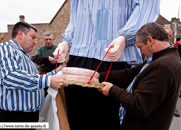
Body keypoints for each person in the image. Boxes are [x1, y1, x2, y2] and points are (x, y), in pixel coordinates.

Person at [53, 0, 160, 130]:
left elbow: (147, 6)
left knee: (108, 119)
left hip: (115, 55)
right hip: (80, 56)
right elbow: (76, 12)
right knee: (76, 118)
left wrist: (126, 37)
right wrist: (67, 42)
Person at [97, 22, 181, 130]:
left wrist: (112, 90)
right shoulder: (158, 59)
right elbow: (129, 74)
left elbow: (139, 105)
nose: (141, 53)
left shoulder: (164, 65)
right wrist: (98, 75)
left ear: (150, 40)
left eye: (140, 47)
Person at [0, 22, 68, 127]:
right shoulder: (6, 48)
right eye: (33, 37)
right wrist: (48, 80)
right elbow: (10, 76)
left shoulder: (24, 55)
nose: (36, 42)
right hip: (15, 118)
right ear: (20, 34)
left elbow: (33, 78)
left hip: (28, 116)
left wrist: (56, 71)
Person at [32, 32, 62, 97]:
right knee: (44, 95)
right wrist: (48, 58)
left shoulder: (57, 48)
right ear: (43, 40)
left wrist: (44, 62)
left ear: (53, 39)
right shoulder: (41, 49)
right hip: (43, 76)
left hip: (55, 75)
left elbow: (61, 60)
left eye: (50, 39)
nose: (48, 41)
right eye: (46, 39)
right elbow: (36, 59)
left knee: (55, 95)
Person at [164, 29, 180, 117]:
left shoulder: (171, 45)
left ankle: (174, 107)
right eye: (167, 35)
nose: (168, 37)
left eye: (170, 35)